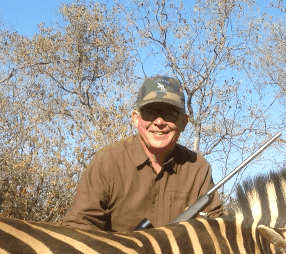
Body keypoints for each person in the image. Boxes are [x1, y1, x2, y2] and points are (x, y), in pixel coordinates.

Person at [62, 76, 223, 232]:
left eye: (170, 113)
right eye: (150, 112)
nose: (159, 122)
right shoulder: (108, 161)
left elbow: (217, 229)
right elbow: (79, 226)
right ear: (136, 118)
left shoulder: (198, 168)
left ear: (184, 122)